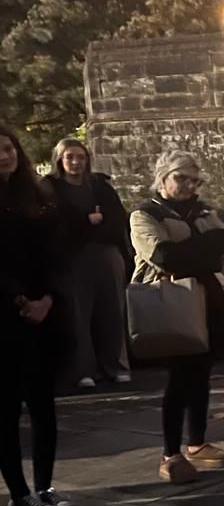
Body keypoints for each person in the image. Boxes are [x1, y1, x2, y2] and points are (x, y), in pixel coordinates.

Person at [129, 150, 224, 484]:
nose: (188, 186)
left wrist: (198, 252)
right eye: (181, 178)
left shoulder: (203, 209)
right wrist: (203, 249)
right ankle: (170, 452)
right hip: (173, 301)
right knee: (179, 378)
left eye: (194, 180)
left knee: (201, 374)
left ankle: (197, 442)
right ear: (163, 176)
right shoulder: (144, 214)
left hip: (208, 299)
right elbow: (165, 257)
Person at [0, 125, 68, 506]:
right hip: (5, 317)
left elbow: (55, 255)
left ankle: (45, 485)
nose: (4, 156)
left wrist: (47, 299)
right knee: (7, 410)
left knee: (44, 405)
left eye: (8, 148)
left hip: (42, 313)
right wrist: (18, 300)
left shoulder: (37, 198)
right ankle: (19, 493)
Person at [47, 138, 132, 389]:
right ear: (60, 160)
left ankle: (115, 365)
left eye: (81, 157)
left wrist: (93, 225)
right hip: (73, 256)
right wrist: (87, 222)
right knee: (78, 313)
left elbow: (116, 218)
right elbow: (59, 224)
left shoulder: (99, 186)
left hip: (106, 252)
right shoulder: (52, 188)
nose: (76, 162)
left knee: (112, 311)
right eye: (70, 157)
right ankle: (83, 369)